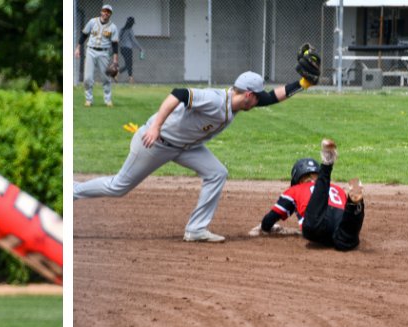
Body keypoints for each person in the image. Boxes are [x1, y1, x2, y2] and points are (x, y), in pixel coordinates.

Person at [74, 64, 316, 243]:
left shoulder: (239, 100)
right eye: (257, 96)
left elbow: (273, 97)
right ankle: (73, 190)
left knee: (217, 172)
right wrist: (156, 127)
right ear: (249, 95)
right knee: (119, 186)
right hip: (156, 142)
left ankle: (196, 229)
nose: (259, 100)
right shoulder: (213, 99)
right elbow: (178, 93)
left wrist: (302, 84)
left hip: (184, 147)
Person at [249, 140, 365, 251]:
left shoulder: (295, 189)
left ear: (297, 178)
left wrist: (265, 227)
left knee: (316, 212)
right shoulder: (338, 189)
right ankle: (355, 205)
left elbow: (271, 218)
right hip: (339, 225)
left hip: (317, 224)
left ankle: (327, 164)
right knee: (346, 238)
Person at [75, 5, 119, 107]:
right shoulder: (92, 22)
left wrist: (115, 60)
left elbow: (115, 44)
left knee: (106, 78)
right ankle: (88, 100)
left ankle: (108, 100)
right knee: (87, 78)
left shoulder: (113, 27)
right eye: (104, 11)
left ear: (110, 14)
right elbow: (84, 35)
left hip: (104, 53)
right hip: (90, 51)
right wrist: (77, 48)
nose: (106, 13)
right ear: (101, 12)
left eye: (108, 12)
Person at [119, 16, 142, 83]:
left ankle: (130, 78)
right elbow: (133, 40)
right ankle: (130, 78)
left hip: (122, 49)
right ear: (131, 23)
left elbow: (119, 39)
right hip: (128, 49)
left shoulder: (122, 30)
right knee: (129, 64)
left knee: (128, 64)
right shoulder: (130, 30)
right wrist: (140, 48)